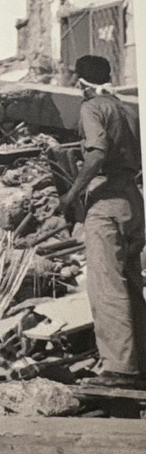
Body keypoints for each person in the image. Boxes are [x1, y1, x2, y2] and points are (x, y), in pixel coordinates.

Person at [59, 55, 145, 389]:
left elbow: (96, 151)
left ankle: (120, 369)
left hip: (106, 201)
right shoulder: (127, 108)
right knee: (131, 284)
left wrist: (71, 195)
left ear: (81, 82)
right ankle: (141, 364)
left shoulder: (92, 108)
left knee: (106, 285)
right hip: (133, 202)